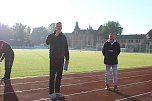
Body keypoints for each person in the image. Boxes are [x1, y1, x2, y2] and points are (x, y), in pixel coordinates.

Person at [46, 22, 69, 100]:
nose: (59, 27)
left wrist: (67, 59)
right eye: (57, 26)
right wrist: (55, 35)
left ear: (61, 27)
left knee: (59, 76)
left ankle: (57, 92)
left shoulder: (64, 37)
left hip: (61, 59)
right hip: (53, 59)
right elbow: (47, 42)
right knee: (52, 76)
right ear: (55, 27)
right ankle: (51, 93)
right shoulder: (51, 36)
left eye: (60, 26)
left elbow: (66, 48)